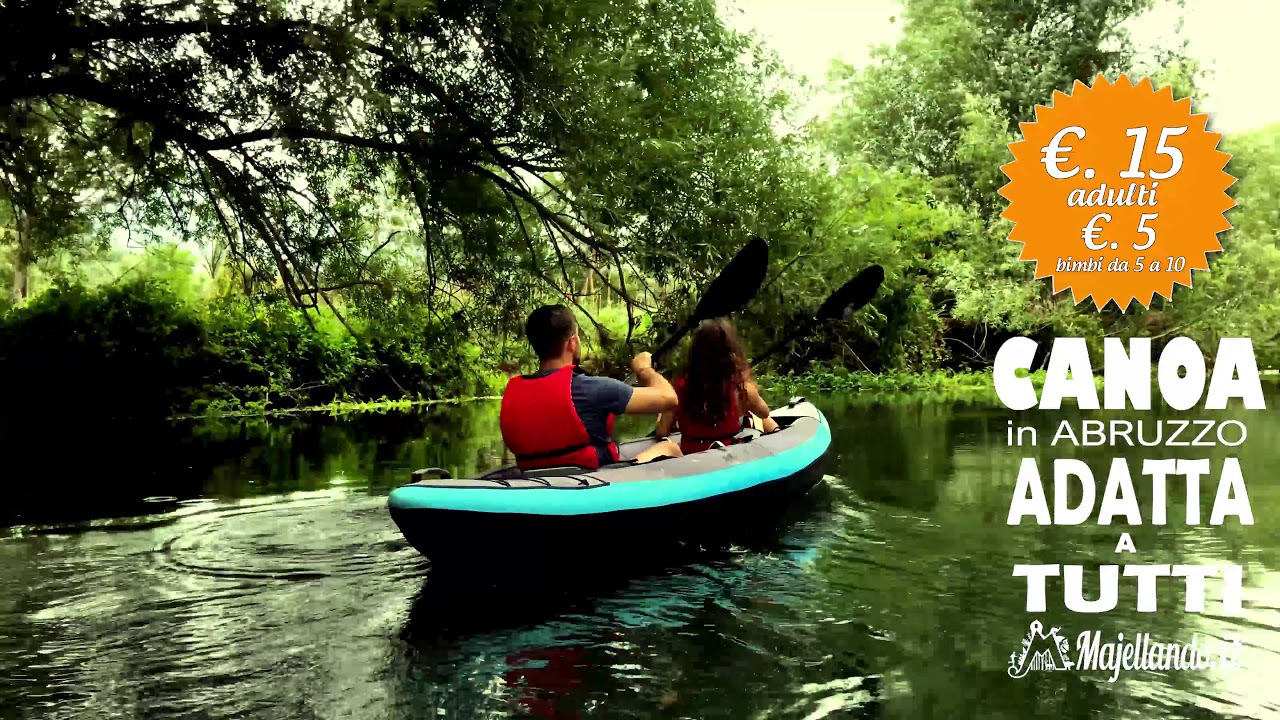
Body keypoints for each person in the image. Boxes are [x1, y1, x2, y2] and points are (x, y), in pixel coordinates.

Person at [500, 305, 678, 471]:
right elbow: (669, 398)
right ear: (572, 343)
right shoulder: (593, 389)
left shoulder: (516, 391)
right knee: (669, 447)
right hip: (593, 480)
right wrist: (643, 368)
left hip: (535, 478)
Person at [641, 317, 778, 460]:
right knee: (755, 413)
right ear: (731, 353)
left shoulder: (678, 388)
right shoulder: (741, 389)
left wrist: (661, 418)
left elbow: (662, 432)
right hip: (730, 456)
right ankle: (779, 432)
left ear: (694, 354)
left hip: (692, 456)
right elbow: (764, 413)